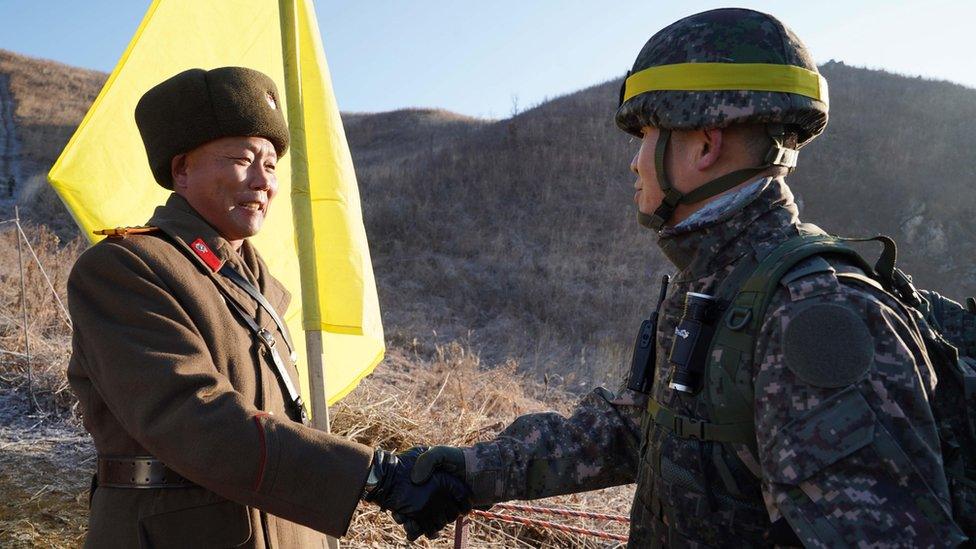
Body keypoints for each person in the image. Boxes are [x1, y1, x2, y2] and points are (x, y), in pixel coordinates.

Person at [409, 8, 972, 546]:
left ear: (705, 143)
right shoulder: (717, 285)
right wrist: (466, 472)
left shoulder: (815, 315)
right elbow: (638, 431)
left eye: (647, 137)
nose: (634, 162)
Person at [66, 67, 468, 548]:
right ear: (181, 171)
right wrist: (372, 476)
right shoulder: (124, 269)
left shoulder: (259, 282)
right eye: (241, 159)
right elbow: (192, 415)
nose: (262, 181)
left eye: (272, 165)